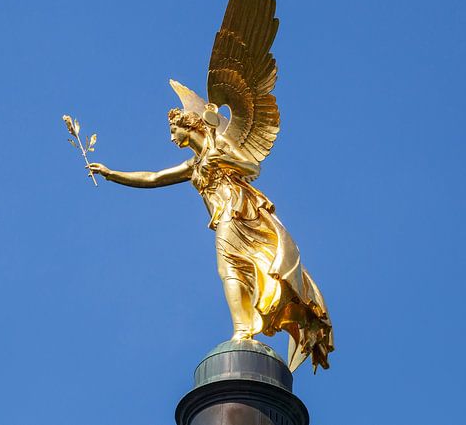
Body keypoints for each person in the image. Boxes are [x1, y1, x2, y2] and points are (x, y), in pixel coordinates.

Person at [88, 108, 334, 371]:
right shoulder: (191, 165)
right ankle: (243, 329)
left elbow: (252, 167)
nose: (172, 138)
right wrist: (111, 173)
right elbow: (153, 178)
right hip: (225, 219)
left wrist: (222, 159)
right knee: (232, 269)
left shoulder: (220, 146)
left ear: (189, 126)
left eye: (174, 130)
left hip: (238, 212)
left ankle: (243, 330)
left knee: (228, 268)